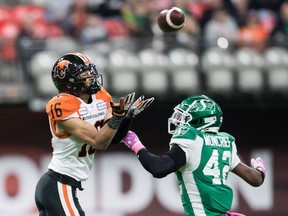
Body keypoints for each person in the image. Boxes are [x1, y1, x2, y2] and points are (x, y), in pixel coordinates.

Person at [34, 52, 154, 216]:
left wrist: (127, 117)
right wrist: (117, 117)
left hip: (64, 185)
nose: (91, 77)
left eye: (90, 72)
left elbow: (113, 137)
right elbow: (99, 141)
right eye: (84, 74)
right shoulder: (61, 104)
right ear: (69, 82)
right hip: (59, 183)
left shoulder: (100, 95)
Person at [122, 95, 267, 216]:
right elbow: (256, 179)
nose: (179, 121)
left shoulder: (192, 139)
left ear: (201, 121)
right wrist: (260, 169)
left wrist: (136, 144)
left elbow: (159, 168)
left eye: (186, 118)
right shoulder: (226, 142)